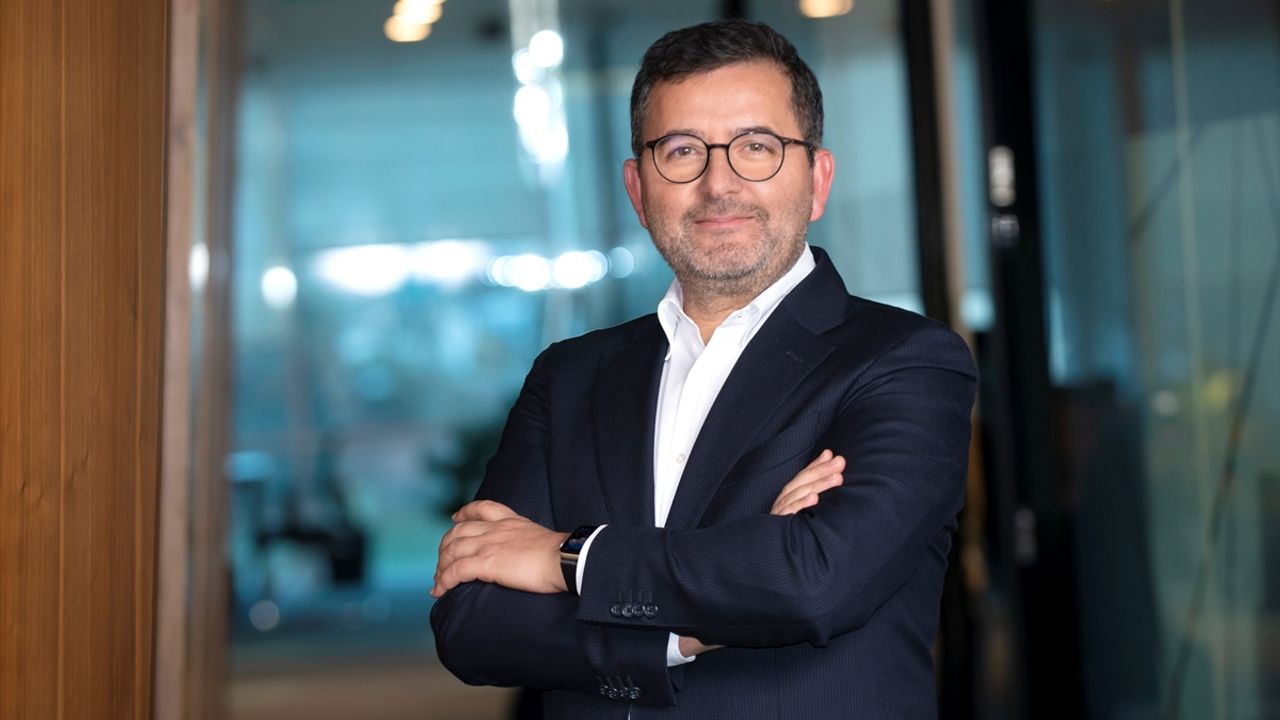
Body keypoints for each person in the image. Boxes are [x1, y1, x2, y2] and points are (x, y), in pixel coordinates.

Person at [430, 19, 977, 719]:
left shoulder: (906, 361)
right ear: (637, 189)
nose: (719, 183)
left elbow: (812, 583)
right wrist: (699, 622)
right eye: (682, 150)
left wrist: (563, 559)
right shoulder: (568, 377)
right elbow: (472, 624)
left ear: (817, 180)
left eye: (757, 147)